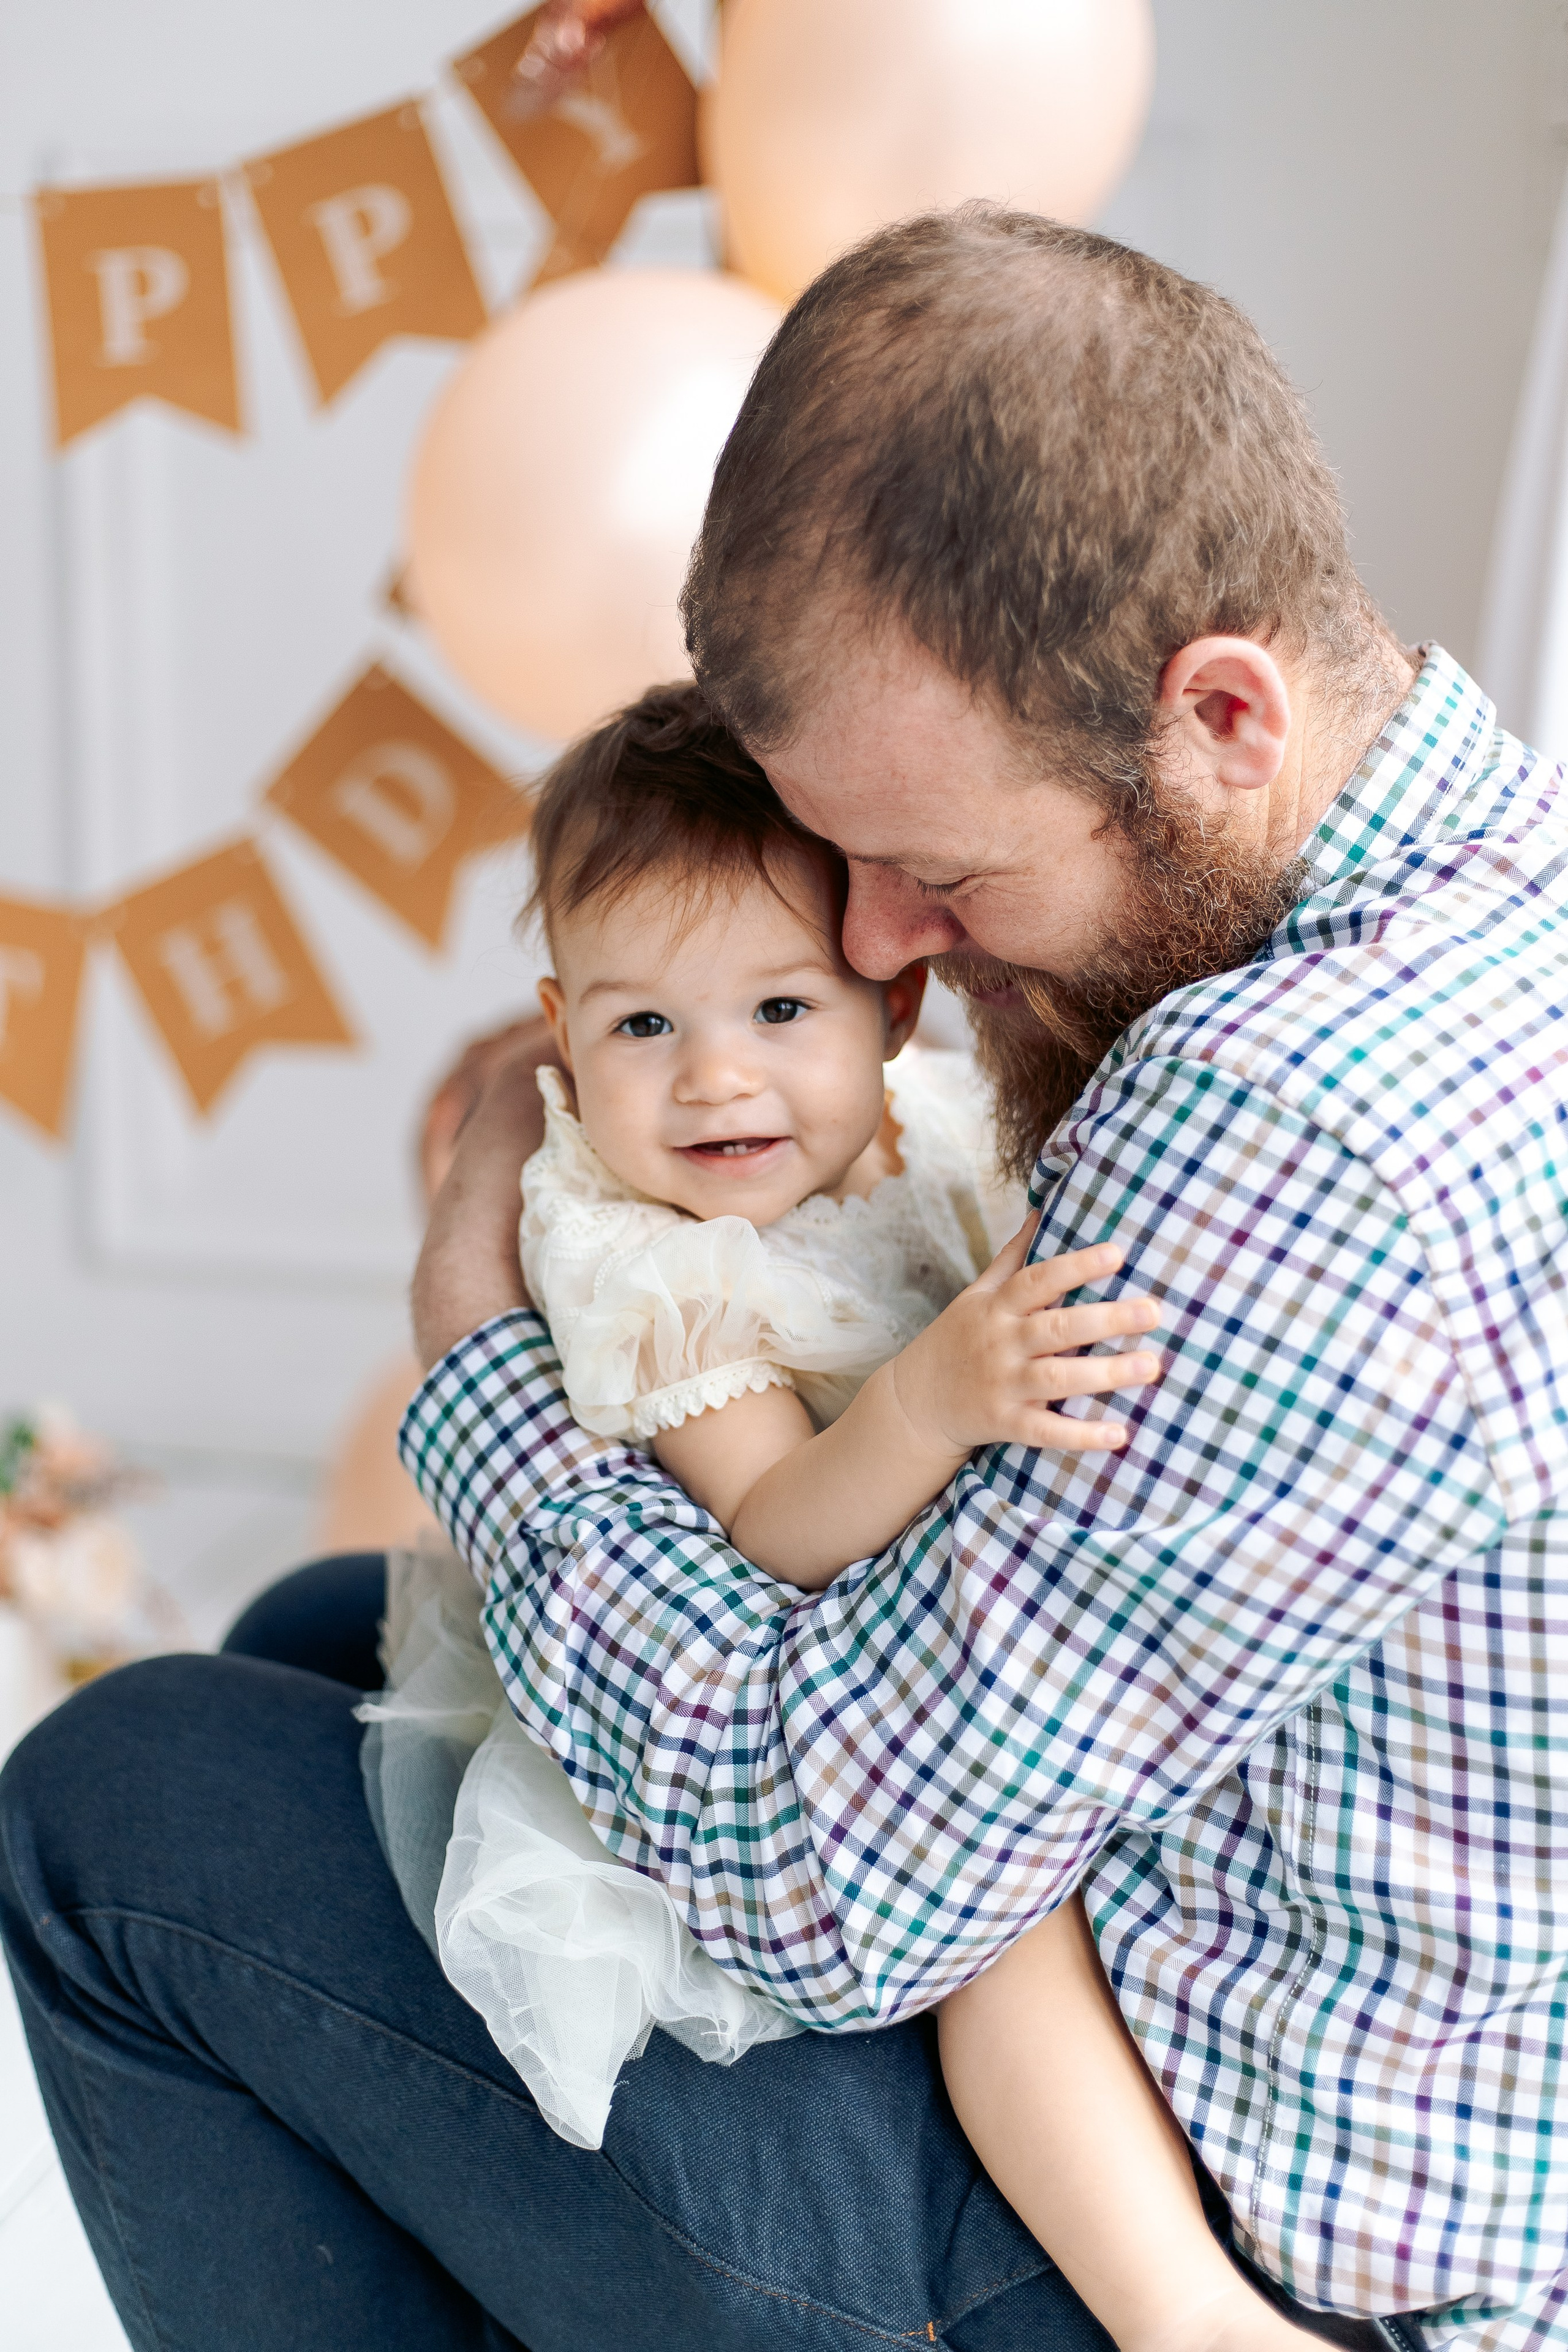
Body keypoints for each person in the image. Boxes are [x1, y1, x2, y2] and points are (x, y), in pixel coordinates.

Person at [0, 200, 1554, 2351]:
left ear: (1219, 714)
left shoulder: (1294, 1121)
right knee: (317, 1635)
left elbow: (825, 1883)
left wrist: (475, 1351)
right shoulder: (1492, 900)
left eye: (937, 869)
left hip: (1228, 2246)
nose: (886, 950)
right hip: (1228, 1935)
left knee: (117, 1796)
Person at [368, 684, 1291, 2349]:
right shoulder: (645, 1252)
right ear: (561, 1028)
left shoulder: (923, 1125)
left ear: (893, 1005)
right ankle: (1180, 2312)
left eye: (781, 1007)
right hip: (768, 1697)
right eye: (644, 1027)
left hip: (968, 1614)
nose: (715, 1079)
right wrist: (936, 1400)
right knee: (1014, 1938)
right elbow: (776, 1523)